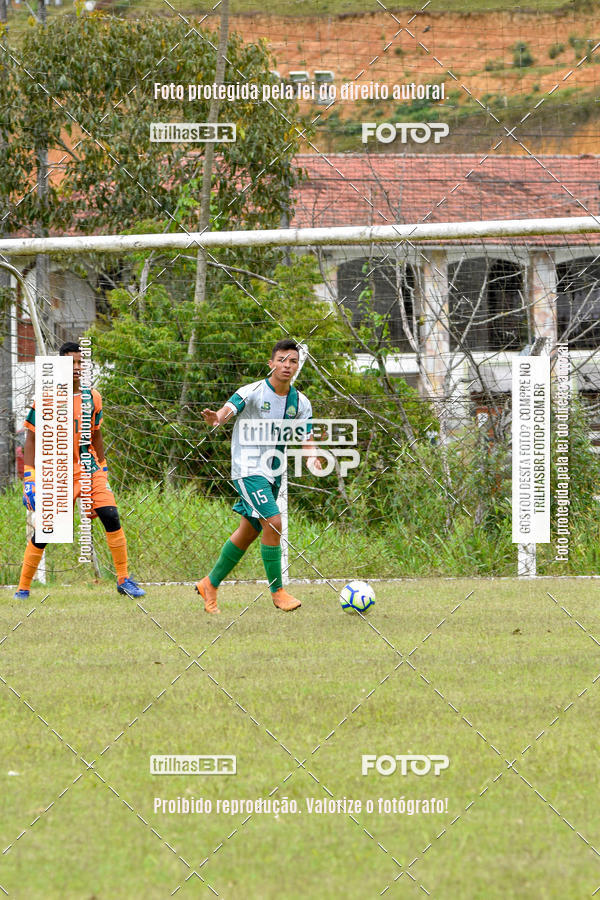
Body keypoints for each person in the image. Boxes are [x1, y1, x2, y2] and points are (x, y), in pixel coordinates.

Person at [196, 339, 322, 614]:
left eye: (292, 361)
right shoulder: (252, 391)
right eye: (282, 360)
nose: (287, 365)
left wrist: (311, 456)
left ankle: (209, 583)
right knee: (274, 522)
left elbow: (306, 436)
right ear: (271, 363)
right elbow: (227, 412)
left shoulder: (300, 402)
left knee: (248, 531)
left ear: (297, 366)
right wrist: (216, 418)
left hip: (272, 474)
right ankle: (278, 592)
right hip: (248, 469)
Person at [14, 341, 146, 599]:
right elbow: (31, 440)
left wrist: (103, 469)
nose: (76, 367)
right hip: (59, 471)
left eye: (79, 362)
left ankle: (123, 580)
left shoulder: (92, 397)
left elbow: (96, 435)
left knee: (111, 515)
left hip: (89, 467)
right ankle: (23, 588)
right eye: (70, 362)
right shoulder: (47, 398)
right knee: (46, 532)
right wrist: (30, 479)